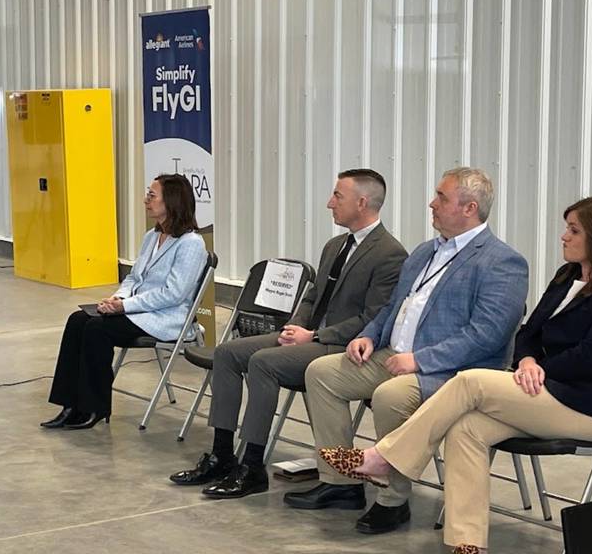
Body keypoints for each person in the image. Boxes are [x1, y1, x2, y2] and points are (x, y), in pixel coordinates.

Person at [319, 195, 592, 554]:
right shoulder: (566, 277)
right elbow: (528, 334)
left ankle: (385, 458)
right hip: (538, 390)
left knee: (471, 381)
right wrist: (526, 361)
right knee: (466, 428)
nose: (564, 236)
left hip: (586, 407)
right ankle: (467, 543)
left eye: (574, 230)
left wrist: (539, 369)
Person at [284, 167, 529, 535]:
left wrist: (420, 360)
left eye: (442, 197)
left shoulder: (502, 261)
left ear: (470, 208)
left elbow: (487, 335)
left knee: (390, 396)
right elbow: (393, 306)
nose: (432, 203)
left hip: (452, 371)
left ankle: (392, 500)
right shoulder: (425, 251)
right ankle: (341, 484)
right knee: (322, 373)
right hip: (393, 355)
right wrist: (369, 335)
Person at [168, 169, 407, 499]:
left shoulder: (390, 253)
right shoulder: (335, 245)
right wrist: (295, 327)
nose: (330, 203)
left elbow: (373, 318)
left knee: (263, 363)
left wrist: (314, 336)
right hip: (309, 336)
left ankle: (252, 466)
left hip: (339, 345)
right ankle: (222, 454)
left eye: (338, 196)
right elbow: (312, 296)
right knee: (227, 353)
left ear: (362, 202)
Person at [41, 174, 209, 430]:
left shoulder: (191, 244)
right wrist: (117, 298)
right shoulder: (151, 237)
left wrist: (125, 306)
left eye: (152, 196)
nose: (146, 200)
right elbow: (134, 278)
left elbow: (173, 294)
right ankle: (70, 405)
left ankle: (93, 407)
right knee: (77, 320)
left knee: (97, 329)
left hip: (165, 317)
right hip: (138, 310)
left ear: (172, 201)